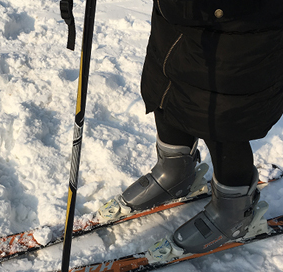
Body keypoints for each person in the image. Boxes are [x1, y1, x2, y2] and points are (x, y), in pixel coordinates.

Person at [108, 1, 283, 253]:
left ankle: (234, 211)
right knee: (166, 90)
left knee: (220, 114)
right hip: (175, 13)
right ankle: (175, 171)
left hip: (238, 25)